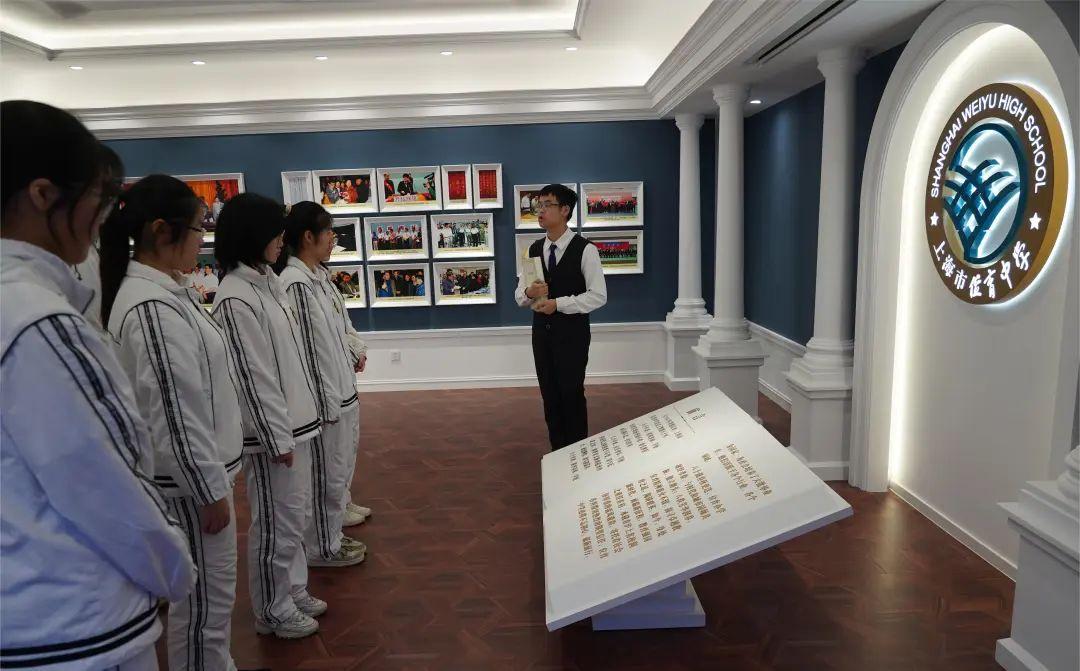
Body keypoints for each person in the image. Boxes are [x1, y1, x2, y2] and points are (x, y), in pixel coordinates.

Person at [0, 100, 195, 670]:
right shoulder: (39, 321)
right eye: (97, 198)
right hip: (74, 618)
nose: (102, 217)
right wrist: (172, 570)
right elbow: (103, 478)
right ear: (43, 195)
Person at [99, 174, 244, 671]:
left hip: (194, 477)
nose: (203, 239)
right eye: (198, 227)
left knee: (209, 601)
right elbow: (174, 411)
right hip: (187, 486)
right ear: (163, 230)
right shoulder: (152, 307)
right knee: (204, 604)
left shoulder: (166, 293)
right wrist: (207, 489)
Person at [211, 193, 325, 639]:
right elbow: (252, 376)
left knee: (293, 519)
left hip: (296, 426)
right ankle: (272, 609)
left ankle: (292, 589)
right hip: (275, 437)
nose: (282, 240)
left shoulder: (265, 284)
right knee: (276, 525)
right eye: (275, 232)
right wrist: (277, 438)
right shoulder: (235, 297)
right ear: (253, 235)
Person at [274, 201, 367, 571]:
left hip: (341, 394)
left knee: (338, 470)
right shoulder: (295, 284)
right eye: (328, 232)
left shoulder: (317, 277)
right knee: (326, 475)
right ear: (307, 237)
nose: (333, 238)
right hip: (328, 402)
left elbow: (337, 331)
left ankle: (332, 534)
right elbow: (309, 353)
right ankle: (323, 546)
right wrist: (325, 406)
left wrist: (355, 350)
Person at [515, 183, 607, 450]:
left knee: (572, 394)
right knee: (550, 396)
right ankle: (558, 453)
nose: (540, 211)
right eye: (539, 205)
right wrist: (529, 292)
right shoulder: (533, 249)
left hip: (572, 335)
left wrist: (559, 304)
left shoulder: (585, 249)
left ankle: (577, 456)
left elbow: (598, 295)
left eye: (547, 205)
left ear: (565, 210)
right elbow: (519, 296)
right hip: (541, 335)